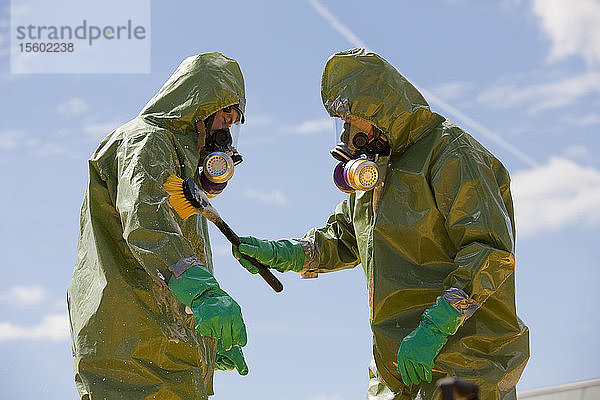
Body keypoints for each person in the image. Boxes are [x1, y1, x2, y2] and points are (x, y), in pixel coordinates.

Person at [232, 48, 529, 400]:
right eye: (339, 120)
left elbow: (488, 250)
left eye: (349, 118)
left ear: (380, 108)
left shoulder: (450, 153)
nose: (345, 132)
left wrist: (436, 326)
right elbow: (344, 238)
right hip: (395, 368)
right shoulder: (375, 172)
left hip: (465, 361)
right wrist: (284, 253)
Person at [68, 52, 250, 400]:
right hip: (134, 355)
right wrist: (204, 295)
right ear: (200, 107)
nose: (226, 134)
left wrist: (207, 342)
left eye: (233, 122)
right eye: (224, 118)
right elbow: (147, 223)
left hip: (162, 353)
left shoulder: (177, 159)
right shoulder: (146, 141)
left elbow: (175, 249)